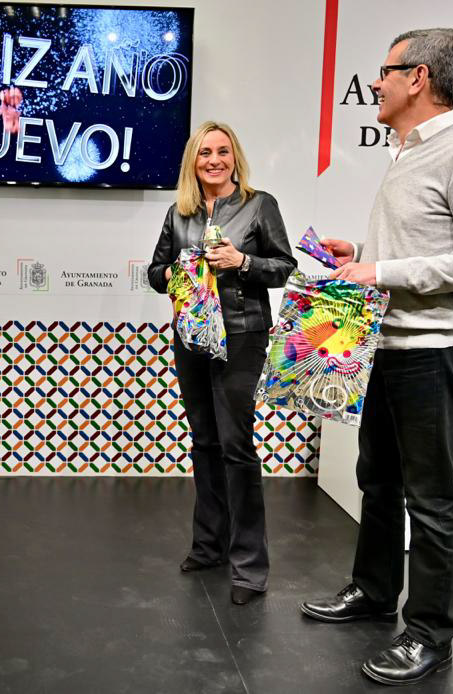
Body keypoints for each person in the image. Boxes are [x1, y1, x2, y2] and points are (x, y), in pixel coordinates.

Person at [299, 29, 453, 685]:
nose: (376, 82)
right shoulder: (406, 153)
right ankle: (372, 592)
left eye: (386, 71)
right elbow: (415, 252)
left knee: (430, 499)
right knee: (379, 481)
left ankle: (428, 634)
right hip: (380, 346)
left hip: (430, 354)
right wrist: (356, 259)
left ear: (418, 77)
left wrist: (382, 269)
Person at [148, 121, 297, 605]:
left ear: (235, 158)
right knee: (205, 442)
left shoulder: (259, 204)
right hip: (191, 338)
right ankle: (209, 546)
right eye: (205, 153)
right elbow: (155, 273)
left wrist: (242, 263)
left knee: (236, 447)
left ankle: (249, 569)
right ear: (193, 161)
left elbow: (284, 267)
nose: (214, 160)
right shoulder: (179, 213)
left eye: (223, 152)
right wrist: (175, 271)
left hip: (242, 336)